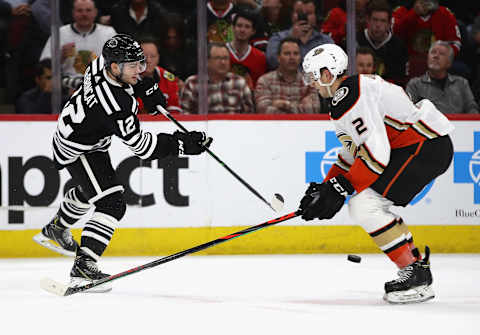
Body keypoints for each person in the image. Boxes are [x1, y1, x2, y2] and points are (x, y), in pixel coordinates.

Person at [32, 34, 212, 291]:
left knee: (93, 190)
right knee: (112, 203)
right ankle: (84, 268)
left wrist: (143, 87)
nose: (139, 70)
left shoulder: (99, 65)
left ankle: (56, 229)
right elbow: (143, 147)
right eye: (133, 67)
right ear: (115, 67)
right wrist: (182, 144)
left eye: (141, 64)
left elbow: (124, 85)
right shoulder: (117, 105)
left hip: (81, 135)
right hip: (80, 148)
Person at [299, 43, 454, 304]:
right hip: (421, 145)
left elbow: (376, 155)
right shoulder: (347, 96)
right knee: (365, 205)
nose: (311, 83)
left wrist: (341, 188)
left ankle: (415, 275)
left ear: (327, 74)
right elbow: (354, 152)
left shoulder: (351, 96)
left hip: (424, 146)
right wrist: (325, 187)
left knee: (364, 205)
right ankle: (415, 267)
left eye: (313, 76)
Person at [40, 0, 117, 78]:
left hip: (100, 82)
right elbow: (44, 67)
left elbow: (120, 65)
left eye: (88, 10)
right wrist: (61, 57)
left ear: (95, 12)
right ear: (73, 13)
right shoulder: (60, 33)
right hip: (67, 82)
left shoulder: (109, 33)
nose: (84, 14)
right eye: (79, 10)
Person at [393, 0, 461, 79]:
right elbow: (394, 39)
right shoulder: (401, 12)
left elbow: (455, 43)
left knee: (459, 69)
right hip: (409, 61)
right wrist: (413, 14)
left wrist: (442, 59)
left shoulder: (445, 13)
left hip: (439, 61)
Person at [406, 41, 479, 114]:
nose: (436, 56)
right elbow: (408, 111)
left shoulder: (461, 83)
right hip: (427, 124)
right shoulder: (415, 84)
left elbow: (472, 107)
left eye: (441, 54)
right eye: (433, 52)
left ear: (449, 63)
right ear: (427, 58)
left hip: (457, 124)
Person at [180, 42, 254, 114]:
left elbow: (249, 114)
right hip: (203, 126)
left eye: (225, 58)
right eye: (218, 58)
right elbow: (186, 115)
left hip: (234, 125)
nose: (223, 62)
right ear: (207, 61)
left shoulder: (240, 82)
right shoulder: (192, 83)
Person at [255, 37, 320, 113]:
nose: (292, 58)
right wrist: (299, 107)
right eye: (287, 53)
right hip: (273, 125)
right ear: (278, 57)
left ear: (300, 58)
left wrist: (285, 105)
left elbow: (314, 109)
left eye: (296, 54)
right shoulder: (265, 80)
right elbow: (263, 110)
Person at [265, 0, 333, 70]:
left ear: (315, 16)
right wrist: (291, 38)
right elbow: (272, 62)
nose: (303, 17)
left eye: (308, 13)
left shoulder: (325, 41)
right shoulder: (277, 38)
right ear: (292, 15)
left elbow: (333, 65)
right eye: (299, 13)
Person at [357, 0, 408, 86]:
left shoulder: (399, 47)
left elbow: (400, 81)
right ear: (368, 20)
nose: (378, 25)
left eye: (383, 21)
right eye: (375, 20)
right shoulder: (355, 40)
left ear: (389, 24)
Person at [139, 36, 182, 113]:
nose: (148, 60)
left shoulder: (168, 77)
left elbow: (175, 110)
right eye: (143, 56)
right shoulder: (127, 78)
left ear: (158, 57)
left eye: (153, 56)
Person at [226, 10, 267, 89]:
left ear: (253, 31)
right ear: (233, 28)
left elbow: (259, 87)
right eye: (239, 25)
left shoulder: (260, 57)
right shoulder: (220, 52)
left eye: (247, 27)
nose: (242, 30)